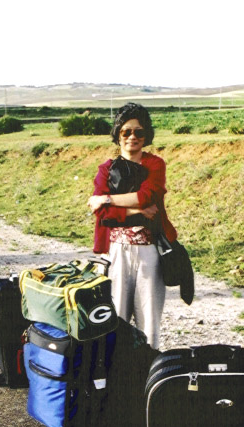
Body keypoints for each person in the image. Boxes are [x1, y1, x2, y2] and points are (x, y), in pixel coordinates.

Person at [88, 103, 177, 348]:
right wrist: (136, 210)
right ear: (118, 135)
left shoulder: (155, 165)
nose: (132, 137)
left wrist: (106, 199)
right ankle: (118, 368)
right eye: (126, 132)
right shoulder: (106, 169)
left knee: (149, 320)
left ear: (146, 135)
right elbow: (103, 214)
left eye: (139, 132)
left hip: (149, 251)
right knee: (116, 318)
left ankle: (148, 365)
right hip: (116, 252)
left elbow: (146, 197)